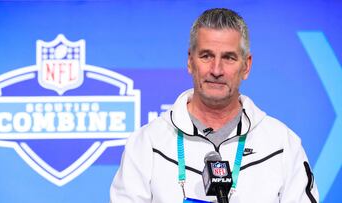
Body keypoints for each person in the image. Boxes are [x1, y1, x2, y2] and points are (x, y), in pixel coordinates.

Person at [110, 8, 319, 203]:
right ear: (190, 62)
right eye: (206, 56)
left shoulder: (282, 144)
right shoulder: (147, 144)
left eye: (228, 58)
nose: (216, 69)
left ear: (246, 66)